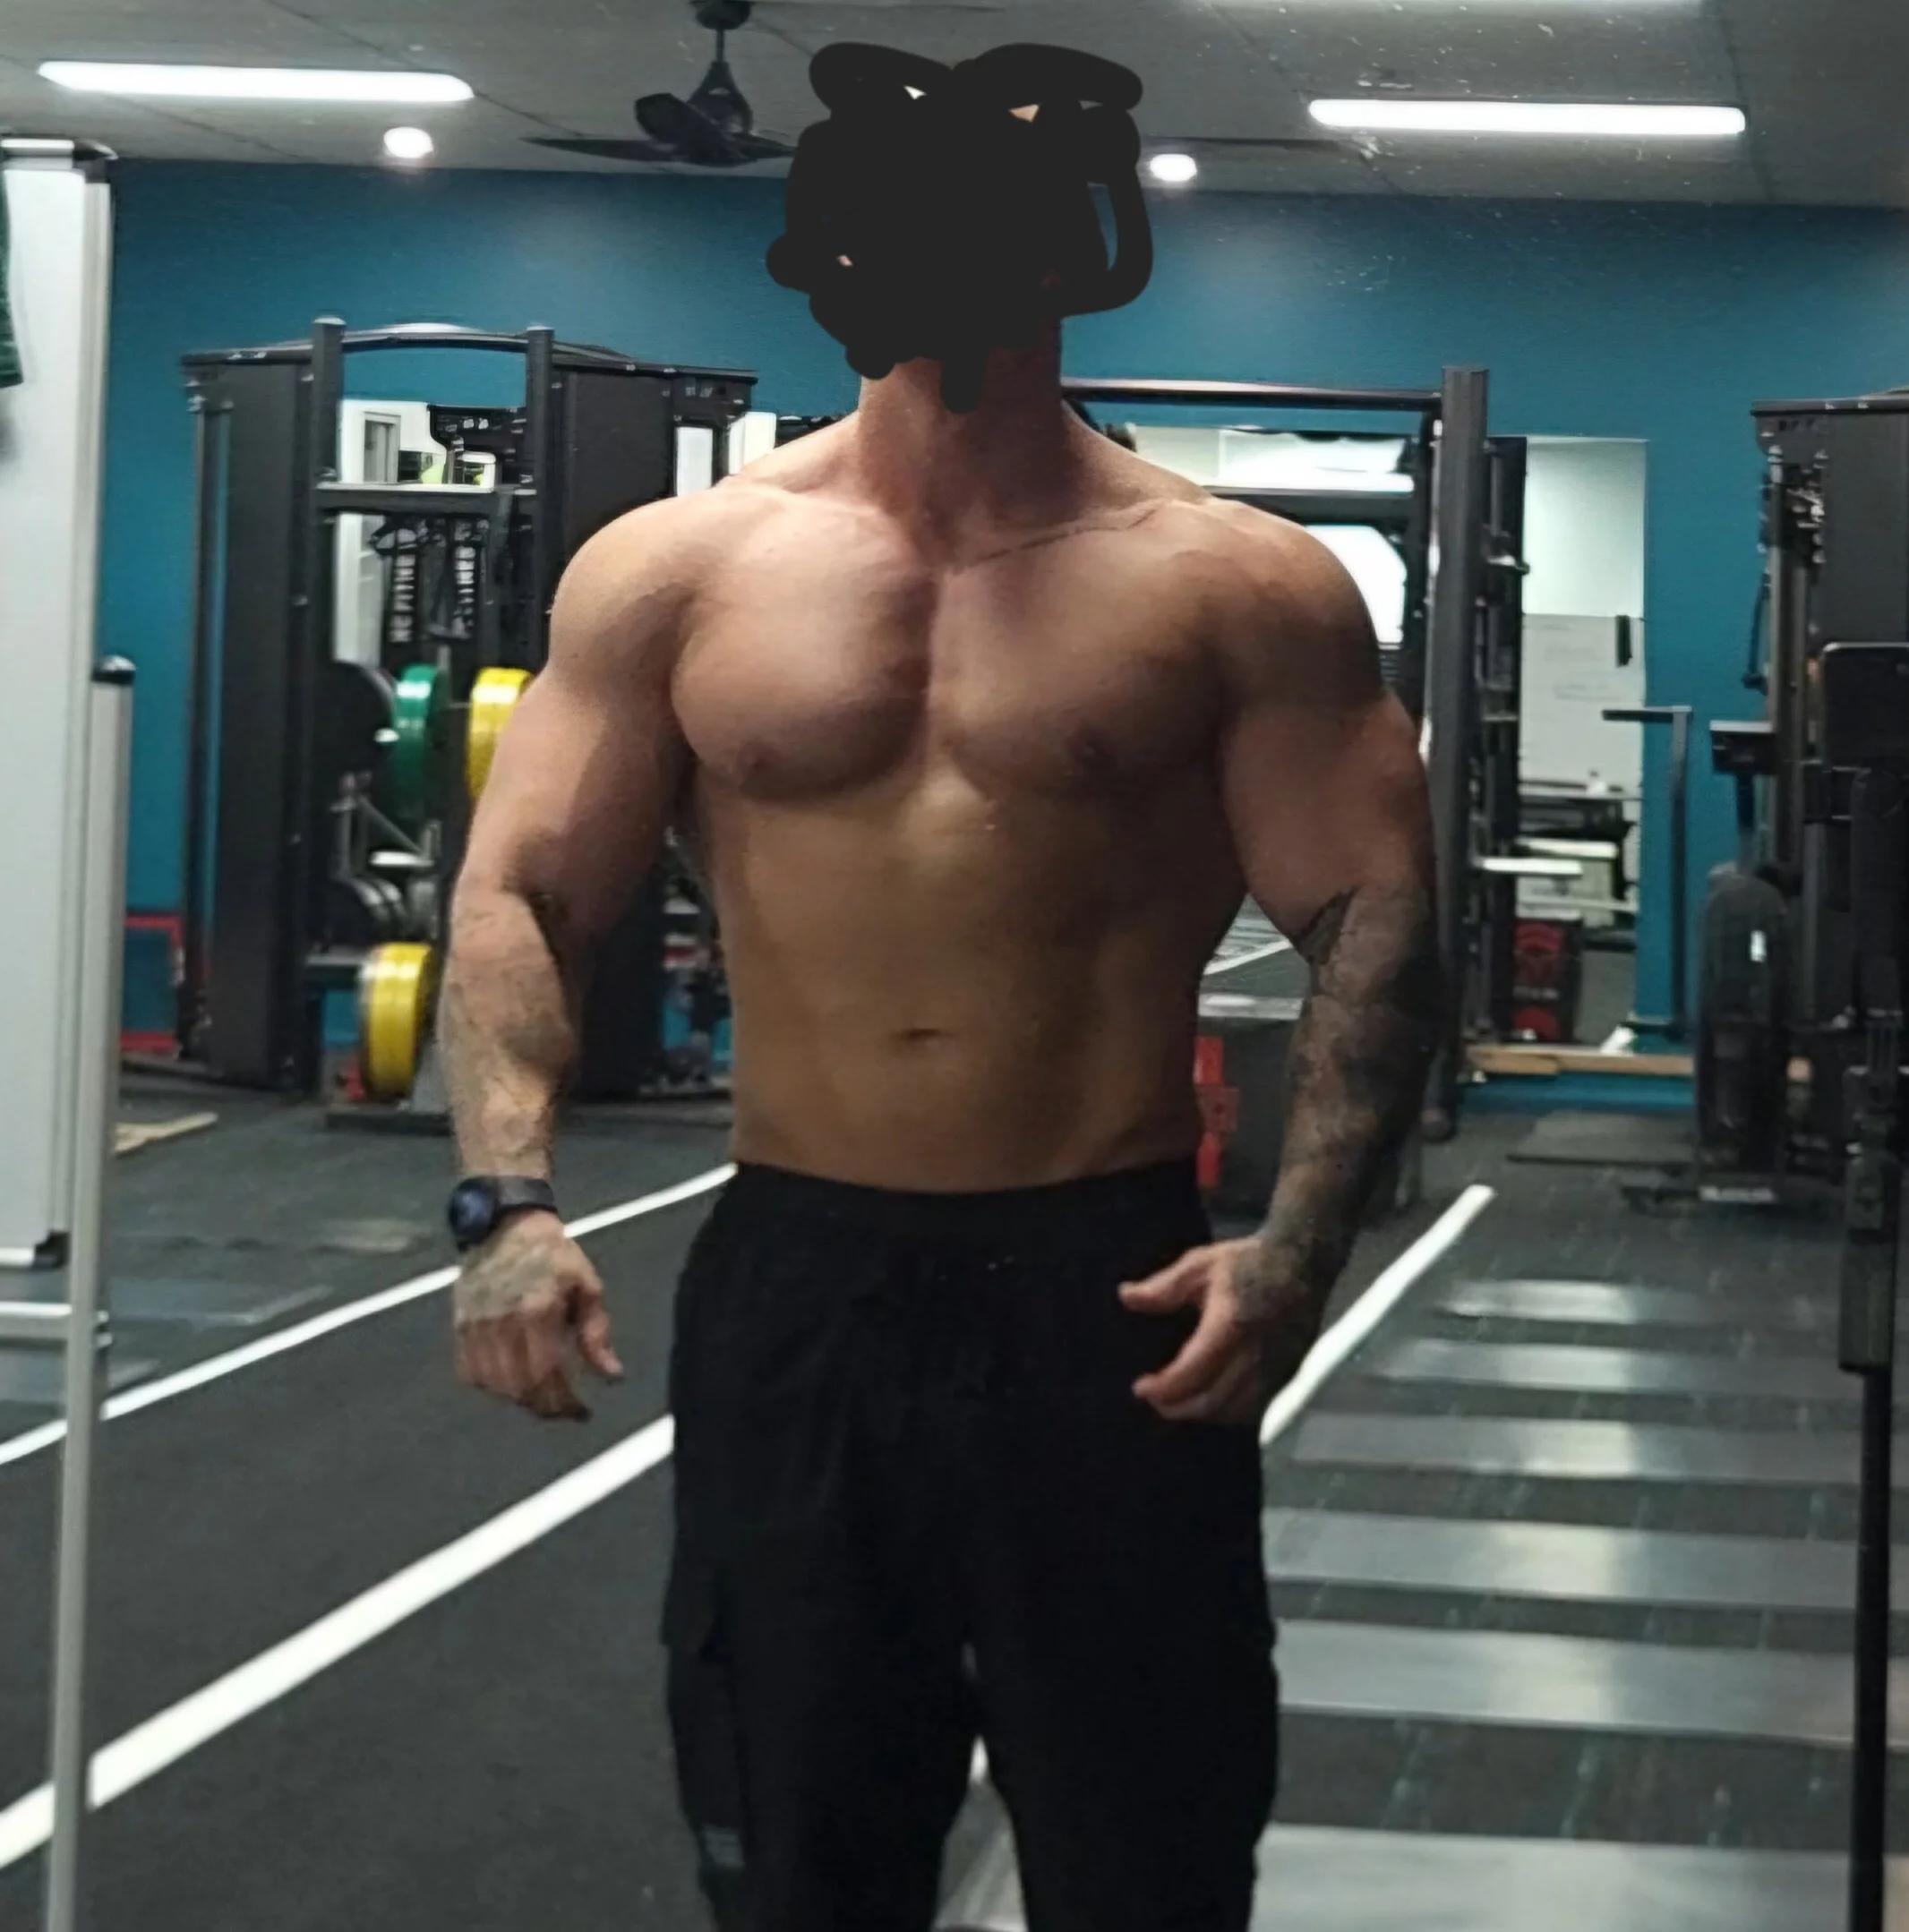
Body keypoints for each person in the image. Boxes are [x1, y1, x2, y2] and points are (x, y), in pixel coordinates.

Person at [441, 41, 1438, 1932]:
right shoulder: (677, 572)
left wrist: (1299, 1249)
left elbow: (1376, 924)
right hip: (803, 1276)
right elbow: (523, 891)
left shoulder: (1235, 585)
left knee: (1147, 1859)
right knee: (800, 1851)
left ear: (1072, 254)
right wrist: (506, 1200)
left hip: (1105, 1283)